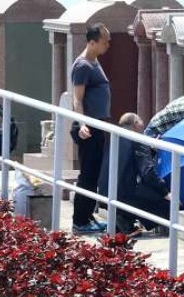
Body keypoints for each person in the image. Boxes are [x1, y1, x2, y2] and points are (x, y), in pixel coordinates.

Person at [69, 23, 113, 235]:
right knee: (87, 174)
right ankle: (79, 220)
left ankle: (87, 215)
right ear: (92, 41)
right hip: (88, 127)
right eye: (104, 41)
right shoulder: (83, 66)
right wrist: (82, 123)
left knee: (93, 174)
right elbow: (77, 99)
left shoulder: (94, 62)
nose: (108, 45)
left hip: (97, 124)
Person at [104, 112, 171, 236]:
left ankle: (123, 219)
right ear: (135, 124)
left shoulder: (114, 138)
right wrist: (165, 192)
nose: (143, 124)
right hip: (125, 195)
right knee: (168, 205)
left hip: (106, 192)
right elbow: (147, 172)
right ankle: (123, 217)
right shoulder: (138, 140)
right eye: (141, 121)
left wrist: (150, 149)